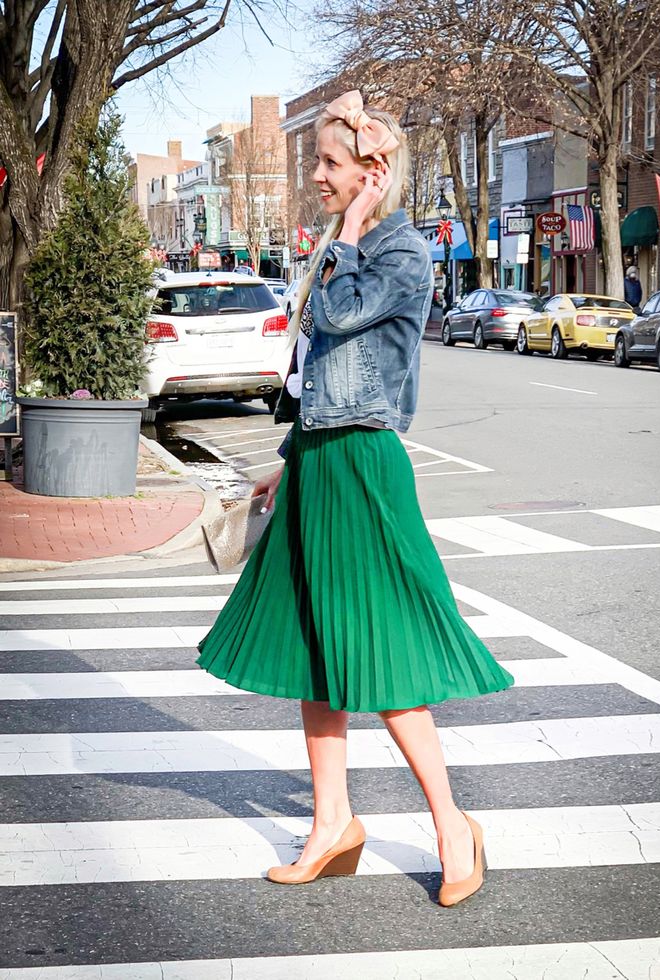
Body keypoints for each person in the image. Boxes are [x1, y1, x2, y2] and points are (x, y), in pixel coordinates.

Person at [196, 90, 514, 908]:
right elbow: (314, 378)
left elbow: (336, 318)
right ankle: (331, 822)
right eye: (319, 162)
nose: (318, 174)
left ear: (373, 171)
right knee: (315, 646)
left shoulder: (401, 253)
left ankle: (451, 823)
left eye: (331, 163)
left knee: (381, 648)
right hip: (319, 463)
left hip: (366, 469)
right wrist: (286, 458)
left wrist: (345, 235)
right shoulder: (347, 245)